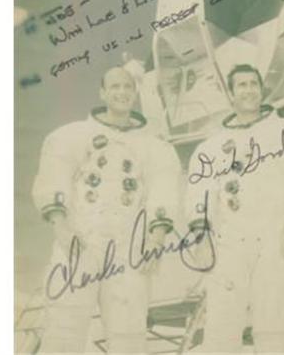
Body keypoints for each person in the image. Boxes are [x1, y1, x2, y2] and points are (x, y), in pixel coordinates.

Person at [33, 66, 181, 353]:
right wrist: (61, 226)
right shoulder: (72, 136)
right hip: (80, 241)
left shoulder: (153, 146)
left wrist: (156, 238)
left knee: (128, 332)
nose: (121, 93)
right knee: (64, 327)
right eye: (115, 87)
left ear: (135, 93)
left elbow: (164, 189)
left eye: (127, 87)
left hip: (128, 246)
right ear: (102, 93)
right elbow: (54, 177)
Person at [186, 63, 284, 353]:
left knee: (274, 325)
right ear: (231, 94)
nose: (248, 90)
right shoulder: (211, 146)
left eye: (253, 84)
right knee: (221, 326)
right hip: (230, 243)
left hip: (275, 238)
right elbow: (199, 193)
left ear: (261, 89)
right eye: (241, 85)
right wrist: (202, 238)